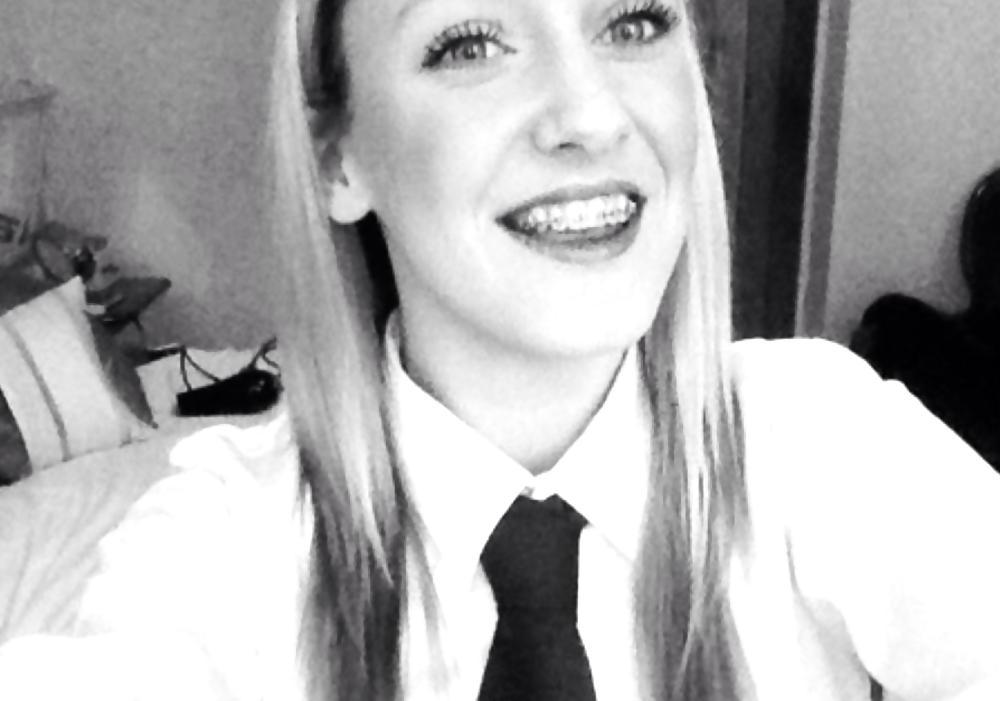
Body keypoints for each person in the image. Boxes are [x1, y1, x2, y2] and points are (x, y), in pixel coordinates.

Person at [1, 0, 999, 699]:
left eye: (634, 23)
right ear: (338, 159)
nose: (591, 115)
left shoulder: (826, 440)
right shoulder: (219, 539)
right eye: (470, 42)